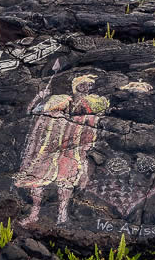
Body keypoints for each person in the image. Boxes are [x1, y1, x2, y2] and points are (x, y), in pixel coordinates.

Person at [15, 73, 109, 225]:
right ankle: (34, 214)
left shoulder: (94, 101)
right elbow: (35, 110)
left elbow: (98, 113)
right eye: (82, 84)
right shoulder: (61, 99)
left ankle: (62, 216)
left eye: (89, 85)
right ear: (75, 86)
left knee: (66, 180)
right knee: (37, 178)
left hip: (72, 145)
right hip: (49, 144)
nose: (86, 87)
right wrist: (39, 97)